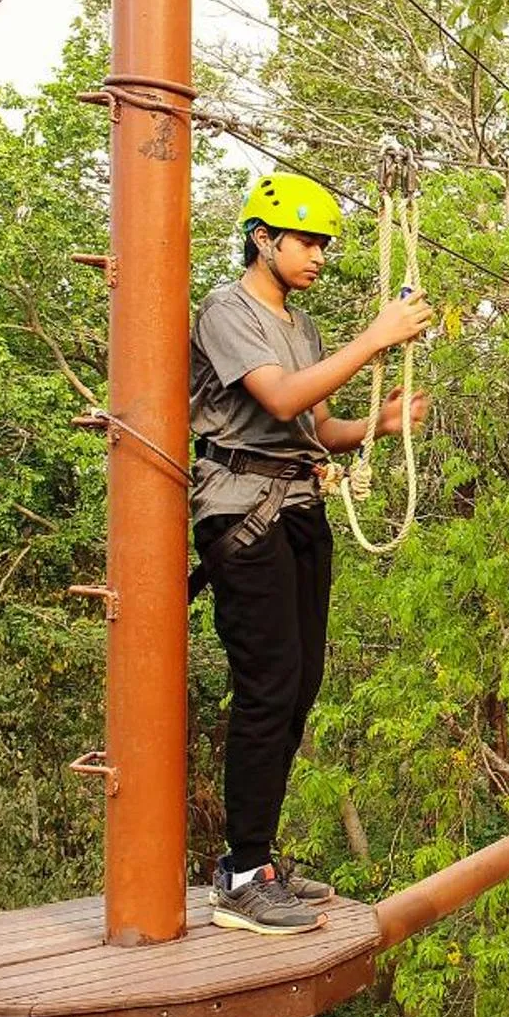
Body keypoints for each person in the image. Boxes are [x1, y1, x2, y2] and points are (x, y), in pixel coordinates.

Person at [190, 171, 434, 935]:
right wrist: (375, 339)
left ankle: (258, 857)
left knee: (298, 689)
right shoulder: (226, 312)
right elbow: (282, 399)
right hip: (244, 514)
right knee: (267, 687)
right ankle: (239, 874)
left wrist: (379, 425)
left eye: (325, 244)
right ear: (263, 240)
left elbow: (316, 427)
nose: (320, 257)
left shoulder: (299, 326)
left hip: (295, 509)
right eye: (307, 242)